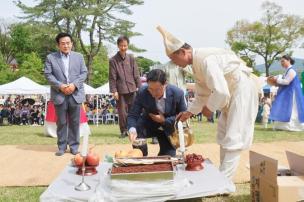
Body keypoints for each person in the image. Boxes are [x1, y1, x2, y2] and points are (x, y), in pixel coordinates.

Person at [157, 26, 259, 180]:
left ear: (183, 52)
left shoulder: (205, 60)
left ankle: (224, 180)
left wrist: (210, 108)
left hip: (242, 89)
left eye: (174, 59)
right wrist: (189, 112)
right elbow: (202, 94)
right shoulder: (196, 64)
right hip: (232, 92)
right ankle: (223, 176)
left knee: (234, 135)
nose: (175, 63)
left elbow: (221, 91)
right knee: (224, 132)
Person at [44, 32, 88, 156]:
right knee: (61, 122)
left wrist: (74, 85)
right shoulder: (51, 58)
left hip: (75, 93)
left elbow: (84, 73)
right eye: (63, 43)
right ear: (58, 45)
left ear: (72, 44)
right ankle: (62, 147)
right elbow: (48, 74)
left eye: (68, 43)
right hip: (59, 94)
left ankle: (74, 146)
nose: (66, 45)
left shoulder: (79, 57)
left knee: (75, 121)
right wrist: (60, 86)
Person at [127, 69, 187, 157]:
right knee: (138, 131)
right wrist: (132, 129)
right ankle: (141, 158)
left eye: (157, 89)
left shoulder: (178, 93)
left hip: (168, 129)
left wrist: (164, 120)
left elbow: (183, 116)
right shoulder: (142, 92)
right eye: (150, 89)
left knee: (167, 158)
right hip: (148, 125)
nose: (153, 93)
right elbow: (133, 115)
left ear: (165, 84)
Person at [109, 35, 141, 138]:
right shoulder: (113, 60)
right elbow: (112, 77)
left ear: (128, 45)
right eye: (121, 45)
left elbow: (136, 73)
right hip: (120, 90)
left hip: (132, 88)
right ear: (118, 46)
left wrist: (139, 87)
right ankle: (123, 130)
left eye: (125, 45)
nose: (123, 47)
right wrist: (114, 91)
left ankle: (134, 129)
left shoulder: (131, 58)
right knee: (122, 112)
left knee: (134, 110)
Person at [268, 55, 304, 131]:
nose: (281, 63)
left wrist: (276, 79)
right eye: (281, 61)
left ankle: (293, 126)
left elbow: (287, 82)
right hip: (287, 93)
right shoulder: (287, 71)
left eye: (283, 61)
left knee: (292, 109)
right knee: (285, 108)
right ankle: (283, 126)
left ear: (288, 60)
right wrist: (277, 79)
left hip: (292, 94)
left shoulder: (291, 71)